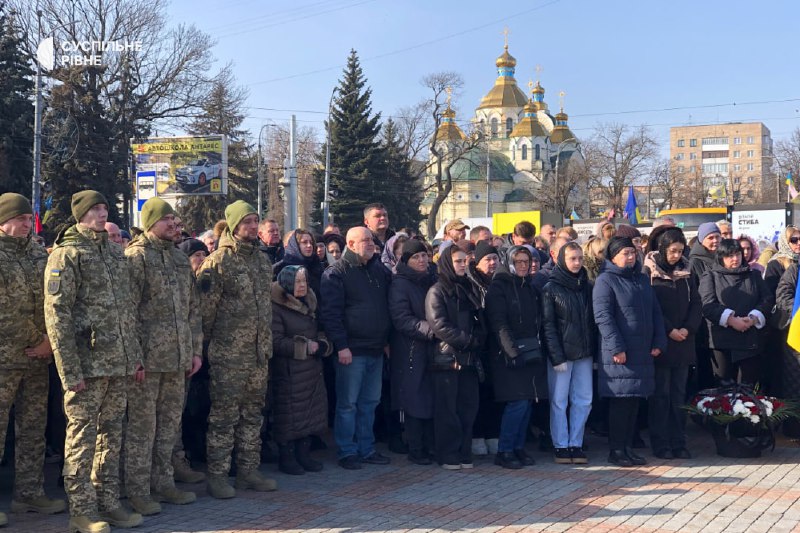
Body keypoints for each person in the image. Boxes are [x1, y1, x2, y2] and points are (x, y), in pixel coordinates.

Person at [45, 191, 144, 531]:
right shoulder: (68, 254)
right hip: (87, 365)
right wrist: (69, 370)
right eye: (95, 210)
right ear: (81, 215)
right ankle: (82, 510)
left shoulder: (115, 253)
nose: (102, 214)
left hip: (118, 362)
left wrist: (134, 356)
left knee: (111, 435)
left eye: (104, 208)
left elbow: (127, 310)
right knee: (82, 437)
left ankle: (108, 501)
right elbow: (57, 315)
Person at [123, 198, 203, 515]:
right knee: (142, 429)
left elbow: (192, 310)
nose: (173, 224)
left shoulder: (179, 259)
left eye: (175, 218)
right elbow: (127, 313)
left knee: (169, 427)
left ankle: (164, 483)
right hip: (148, 361)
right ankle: (138, 490)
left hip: (177, 359)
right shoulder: (136, 257)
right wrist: (134, 358)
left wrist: (195, 351)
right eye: (166, 219)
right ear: (150, 223)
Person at [198, 200, 275, 498]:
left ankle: (248, 470)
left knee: (253, 414)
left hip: (258, 354)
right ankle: (218, 476)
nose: (253, 227)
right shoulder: (218, 261)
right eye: (246, 222)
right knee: (224, 417)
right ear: (233, 226)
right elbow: (205, 312)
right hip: (229, 356)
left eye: (255, 221)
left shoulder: (261, 261)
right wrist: (211, 346)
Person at [0, 194, 66, 527]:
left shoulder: (39, 255)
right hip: (6, 357)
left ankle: (28, 493)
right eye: (20, 219)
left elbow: (54, 302)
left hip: (39, 359)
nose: (27, 224)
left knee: (33, 429)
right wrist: (38, 340)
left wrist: (49, 343)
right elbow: (5, 310)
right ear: (3, 221)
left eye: (29, 219)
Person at [320, 227, 393, 470]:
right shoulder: (336, 273)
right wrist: (341, 346)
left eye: (372, 240)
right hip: (351, 350)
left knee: (370, 402)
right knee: (348, 404)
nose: (371, 244)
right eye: (365, 240)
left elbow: (385, 307)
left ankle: (366, 448)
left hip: (375, 348)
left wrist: (386, 341)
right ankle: (347, 451)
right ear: (350, 244)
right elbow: (331, 315)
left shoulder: (378, 270)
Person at [593, 236, 666, 467]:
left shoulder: (641, 279)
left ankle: (627, 448)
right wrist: (617, 347)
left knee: (634, 400)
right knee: (621, 401)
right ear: (613, 256)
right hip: (620, 352)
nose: (631, 257)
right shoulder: (605, 280)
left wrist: (659, 340)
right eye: (625, 253)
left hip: (641, 350)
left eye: (633, 252)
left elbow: (655, 312)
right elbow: (603, 317)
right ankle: (616, 450)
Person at [642, 228, 701, 460]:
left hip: (684, 341)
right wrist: (669, 330)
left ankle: (678, 441)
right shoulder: (649, 270)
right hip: (662, 341)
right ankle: (660, 443)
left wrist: (688, 328)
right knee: (661, 396)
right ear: (663, 249)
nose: (676, 255)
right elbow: (650, 306)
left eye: (680, 251)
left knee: (679, 395)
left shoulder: (687, 270)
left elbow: (696, 303)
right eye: (672, 251)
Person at [425, 246, 485, 470]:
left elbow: (478, 317)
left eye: (464, 261)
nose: (462, 265)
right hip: (447, 358)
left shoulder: (468, 286)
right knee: (447, 409)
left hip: (470, 358)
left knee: (468, 408)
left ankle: (464, 452)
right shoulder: (437, 290)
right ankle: (448, 454)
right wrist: (466, 340)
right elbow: (439, 324)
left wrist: (479, 337)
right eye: (458, 261)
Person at [485, 245, 543, 469]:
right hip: (507, 353)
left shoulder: (529, 286)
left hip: (529, 350)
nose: (523, 266)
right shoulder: (499, 287)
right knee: (516, 402)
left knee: (527, 401)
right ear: (509, 262)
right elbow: (498, 323)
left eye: (526, 262)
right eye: (518, 261)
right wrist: (511, 351)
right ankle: (505, 450)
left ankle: (518, 446)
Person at [270, 266, 332, 475]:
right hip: (289, 370)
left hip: (311, 368)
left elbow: (319, 329)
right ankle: (287, 457)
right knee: (289, 413)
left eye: (304, 281)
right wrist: (304, 347)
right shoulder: (277, 307)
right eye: (297, 281)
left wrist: (322, 344)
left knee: (310, 411)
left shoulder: (310, 302)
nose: (302, 285)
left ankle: (304, 454)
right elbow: (276, 341)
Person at [542, 242, 596, 465]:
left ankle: (576, 442)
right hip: (562, 354)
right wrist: (556, 356)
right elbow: (548, 325)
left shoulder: (587, 286)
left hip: (584, 352)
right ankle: (560, 444)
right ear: (561, 259)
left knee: (584, 399)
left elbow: (592, 322)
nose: (577, 263)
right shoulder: (551, 288)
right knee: (559, 400)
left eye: (580, 258)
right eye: (572, 258)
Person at [388, 240, 437, 465]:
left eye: (424, 255)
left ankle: (430, 445)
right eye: (416, 257)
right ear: (406, 260)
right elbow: (401, 318)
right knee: (414, 397)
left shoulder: (431, 279)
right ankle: (416, 448)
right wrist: (431, 330)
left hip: (432, 347)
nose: (422, 260)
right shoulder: (400, 284)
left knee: (430, 396)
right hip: (410, 348)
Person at [699, 239, 772, 386]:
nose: (735, 259)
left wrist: (753, 318)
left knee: (747, 388)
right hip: (722, 341)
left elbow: (767, 299)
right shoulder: (711, 276)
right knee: (723, 389)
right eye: (730, 256)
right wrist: (731, 320)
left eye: (738, 254)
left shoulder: (753, 275)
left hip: (749, 338)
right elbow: (707, 304)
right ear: (721, 257)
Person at [466, 241, 502, 456]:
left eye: (495, 258)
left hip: (496, 346)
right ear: (477, 262)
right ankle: (477, 436)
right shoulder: (470, 283)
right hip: (478, 346)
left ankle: (493, 434)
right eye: (487, 259)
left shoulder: (500, 281)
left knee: (495, 393)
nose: (492, 263)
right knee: (478, 395)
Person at [274, 230, 325, 300]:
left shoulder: (317, 266)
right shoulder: (281, 268)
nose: (309, 245)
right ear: (295, 245)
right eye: (304, 242)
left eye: (311, 242)